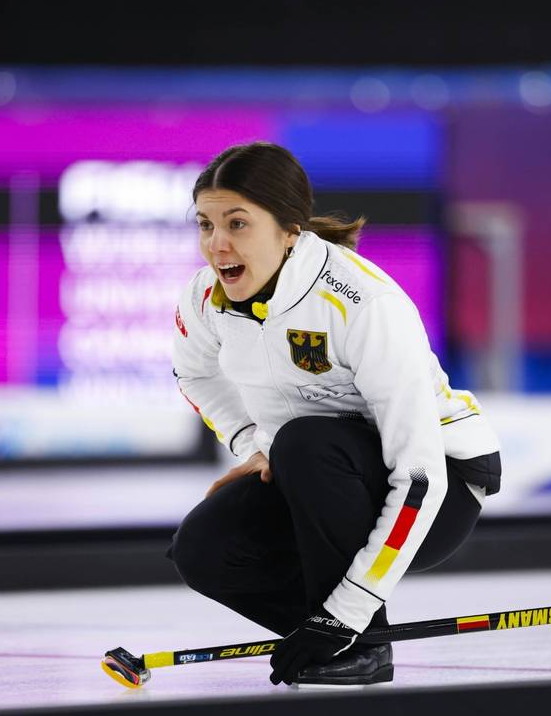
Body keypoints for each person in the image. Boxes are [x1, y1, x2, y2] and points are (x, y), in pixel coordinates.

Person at [168, 142, 502, 687]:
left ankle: (362, 642)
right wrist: (253, 442)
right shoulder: (205, 297)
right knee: (206, 548)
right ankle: (329, 636)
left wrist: (349, 612)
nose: (217, 245)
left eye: (237, 223)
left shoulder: (363, 304)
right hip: (317, 470)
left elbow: (419, 477)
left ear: (290, 230)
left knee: (304, 443)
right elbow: (194, 374)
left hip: (443, 485)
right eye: (205, 224)